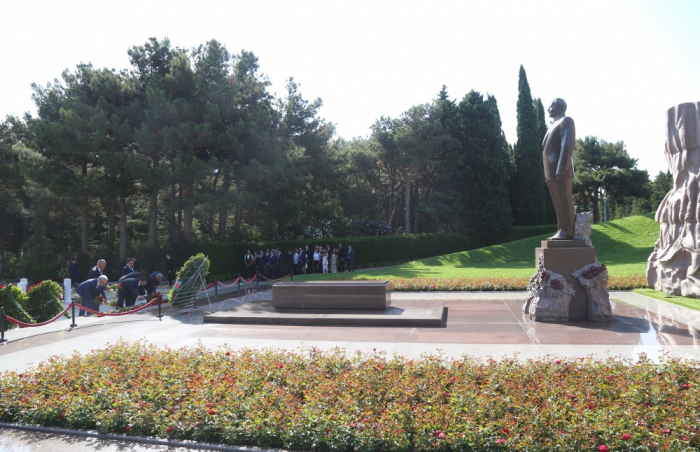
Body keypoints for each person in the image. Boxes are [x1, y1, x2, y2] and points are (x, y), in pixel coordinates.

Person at [543, 98, 576, 240]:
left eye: (551, 106)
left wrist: (562, 167)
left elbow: (567, 144)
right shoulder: (552, 125)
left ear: (558, 107)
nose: (548, 109)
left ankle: (566, 231)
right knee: (558, 202)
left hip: (559, 170)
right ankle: (561, 230)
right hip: (550, 171)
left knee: (564, 201)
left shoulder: (566, 120)